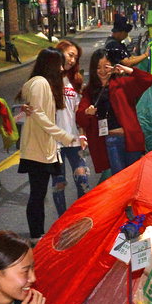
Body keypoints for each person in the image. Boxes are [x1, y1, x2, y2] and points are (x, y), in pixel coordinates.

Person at [17, 48, 86, 243]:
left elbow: (33, 107)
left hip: (41, 148)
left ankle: (37, 233)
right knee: (38, 194)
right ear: (51, 64)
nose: (62, 67)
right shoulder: (40, 83)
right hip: (39, 148)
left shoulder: (39, 82)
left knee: (38, 193)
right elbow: (40, 116)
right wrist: (65, 136)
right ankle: (36, 235)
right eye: (59, 63)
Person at [76, 50, 152, 175]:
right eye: (98, 67)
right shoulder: (90, 91)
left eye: (106, 67)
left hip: (130, 139)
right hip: (110, 140)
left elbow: (148, 80)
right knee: (119, 179)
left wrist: (127, 69)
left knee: (133, 178)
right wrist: (87, 112)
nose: (102, 71)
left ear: (112, 66)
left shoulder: (122, 84)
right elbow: (80, 118)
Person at [51, 39, 90, 217]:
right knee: (58, 185)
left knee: (83, 179)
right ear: (60, 53)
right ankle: (62, 222)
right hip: (54, 143)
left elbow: (78, 111)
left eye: (76, 57)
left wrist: (82, 135)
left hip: (74, 139)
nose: (73, 60)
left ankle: (79, 218)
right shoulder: (46, 79)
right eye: (70, 55)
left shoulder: (75, 80)